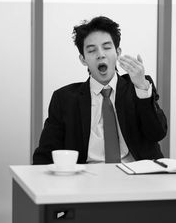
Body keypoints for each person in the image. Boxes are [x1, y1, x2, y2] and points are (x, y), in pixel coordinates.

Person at [33, 16, 167, 164]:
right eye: (92, 50)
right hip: (86, 180)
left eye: (107, 47)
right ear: (83, 59)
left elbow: (157, 133)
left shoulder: (138, 87)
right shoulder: (64, 99)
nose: (100, 54)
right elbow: (45, 155)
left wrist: (142, 88)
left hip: (137, 177)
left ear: (118, 52)